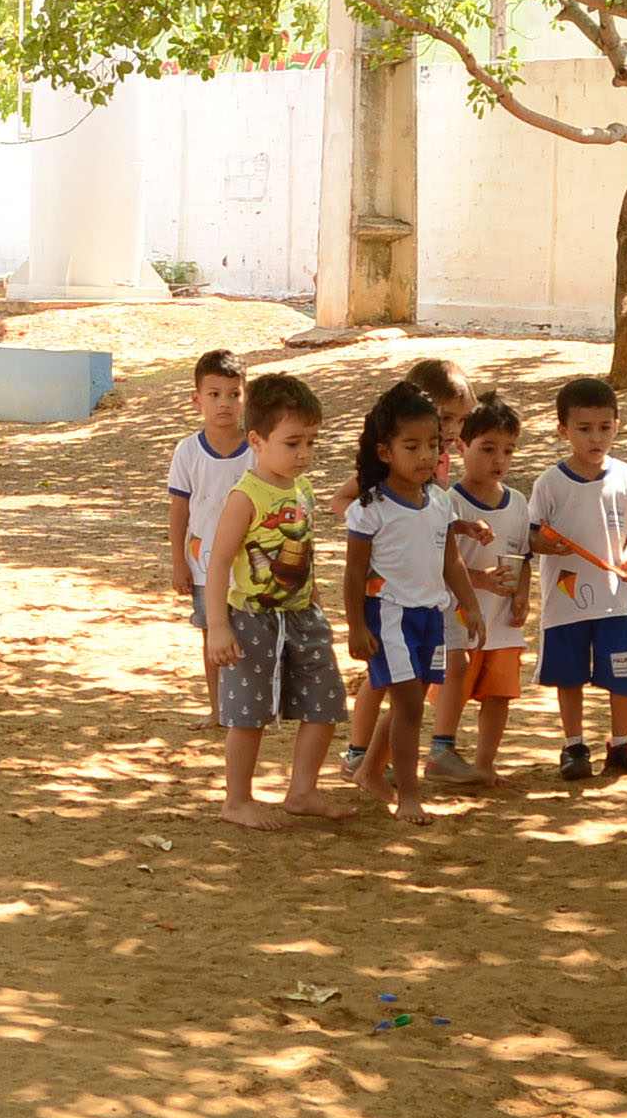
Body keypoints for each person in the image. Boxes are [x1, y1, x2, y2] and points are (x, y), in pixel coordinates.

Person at [195, 370, 346, 830]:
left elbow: (306, 550)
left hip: (302, 616)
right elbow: (218, 561)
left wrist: (317, 603)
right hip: (253, 620)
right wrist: (218, 626)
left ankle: (302, 790)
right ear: (258, 441)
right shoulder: (246, 495)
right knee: (249, 714)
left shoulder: (303, 490)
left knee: (326, 701)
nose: (304, 454)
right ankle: (236, 799)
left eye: (311, 443)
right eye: (293, 442)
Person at [335, 383, 454, 819]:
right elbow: (353, 572)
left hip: (431, 615)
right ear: (385, 451)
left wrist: (469, 604)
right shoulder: (370, 508)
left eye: (433, 445)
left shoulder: (440, 503)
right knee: (407, 706)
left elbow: (450, 559)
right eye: (413, 445)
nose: (426, 455)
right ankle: (408, 794)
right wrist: (356, 625)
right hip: (389, 616)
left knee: (412, 700)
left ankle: (369, 771)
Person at [528, 375, 627, 785]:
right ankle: (574, 744)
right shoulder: (549, 484)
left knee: (624, 671)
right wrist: (547, 545)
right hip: (565, 603)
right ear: (563, 430)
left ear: (617, 424)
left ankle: (621, 743)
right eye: (584, 428)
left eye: (604, 427)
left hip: (617, 600)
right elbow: (530, 535)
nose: (596, 437)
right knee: (569, 674)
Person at [429, 398, 539, 784]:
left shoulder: (519, 503)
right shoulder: (449, 502)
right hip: (462, 616)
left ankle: (484, 762)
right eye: (488, 449)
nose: (499, 460)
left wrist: (523, 594)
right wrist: (480, 580)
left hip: (503, 620)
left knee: (499, 694)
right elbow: (441, 564)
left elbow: (523, 556)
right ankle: (445, 752)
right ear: (461, 447)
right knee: (454, 687)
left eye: (507, 451)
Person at [158, 352, 253, 719]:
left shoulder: (256, 451)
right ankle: (218, 710)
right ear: (196, 398)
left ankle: (251, 708)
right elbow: (179, 509)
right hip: (203, 564)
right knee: (211, 635)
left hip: (250, 565)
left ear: (246, 397)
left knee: (251, 636)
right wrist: (178, 562)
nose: (224, 403)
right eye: (214, 394)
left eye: (233, 394)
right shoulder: (187, 451)